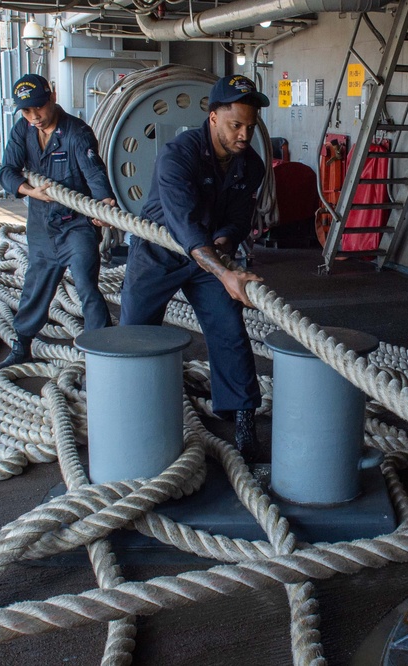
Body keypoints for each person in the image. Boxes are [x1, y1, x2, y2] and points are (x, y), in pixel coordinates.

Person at [119, 75, 268, 461]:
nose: (244, 135)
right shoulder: (178, 154)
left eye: (250, 127)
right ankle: (133, 410)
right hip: (160, 251)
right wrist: (224, 271)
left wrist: (224, 247)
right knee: (135, 331)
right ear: (213, 116)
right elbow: (184, 227)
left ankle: (242, 416)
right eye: (236, 125)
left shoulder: (250, 165)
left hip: (209, 258)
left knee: (229, 330)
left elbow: (236, 220)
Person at [0, 74, 116, 377]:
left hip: (76, 225)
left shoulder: (77, 133)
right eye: (26, 111)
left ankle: (103, 355)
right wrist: (27, 190)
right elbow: (6, 169)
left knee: (86, 285)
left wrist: (104, 204)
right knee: (35, 286)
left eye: (38, 108)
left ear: (53, 97)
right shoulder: (23, 130)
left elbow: (94, 172)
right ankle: (21, 347)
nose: (34, 116)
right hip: (42, 224)